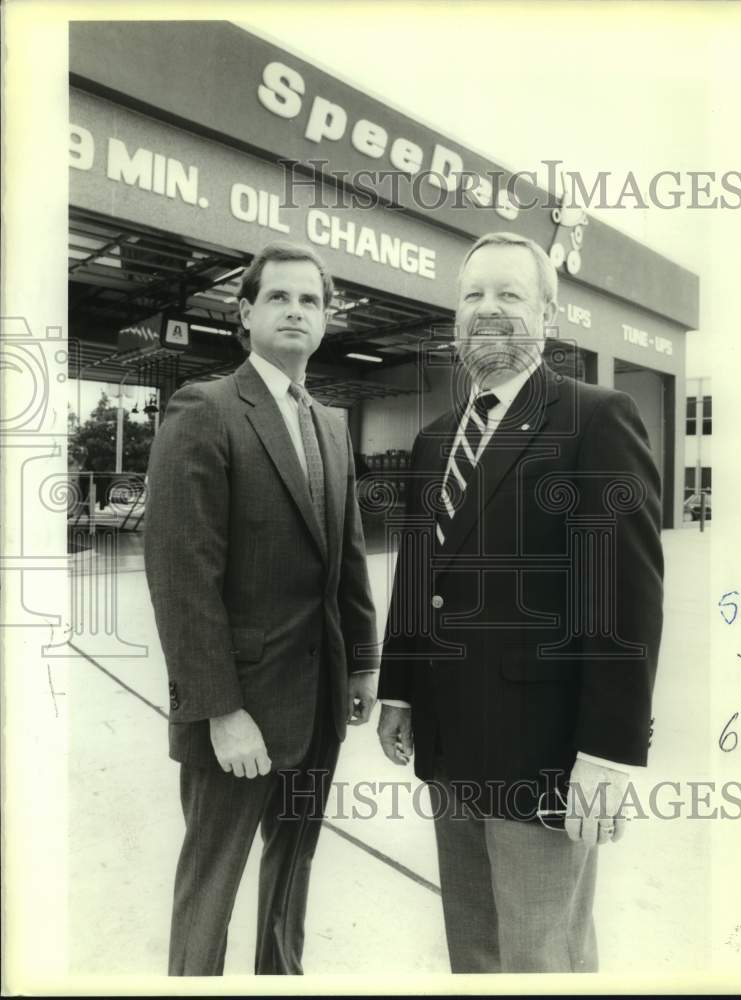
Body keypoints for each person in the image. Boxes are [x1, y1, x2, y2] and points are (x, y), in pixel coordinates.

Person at [377, 231, 663, 973]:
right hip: (449, 747)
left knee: (543, 955)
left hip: (544, 754)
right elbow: (418, 574)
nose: (489, 310)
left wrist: (606, 753)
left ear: (548, 315)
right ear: (454, 320)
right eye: (473, 296)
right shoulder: (435, 442)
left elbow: (626, 597)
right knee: (473, 949)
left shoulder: (596, 419)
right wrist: (400, 691)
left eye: (510, 294)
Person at [144, 241, 378, 976]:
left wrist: (364, 665)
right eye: (279, 298)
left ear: (327, 320)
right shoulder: (206, 409)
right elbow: (182, 576)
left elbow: (346, 558)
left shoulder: (331, 425)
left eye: (311, 301)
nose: (296, 312)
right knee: (211, 888)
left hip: (317, 702)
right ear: (245, 313)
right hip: (236, 712)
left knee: (291, 879)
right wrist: (220, 708)